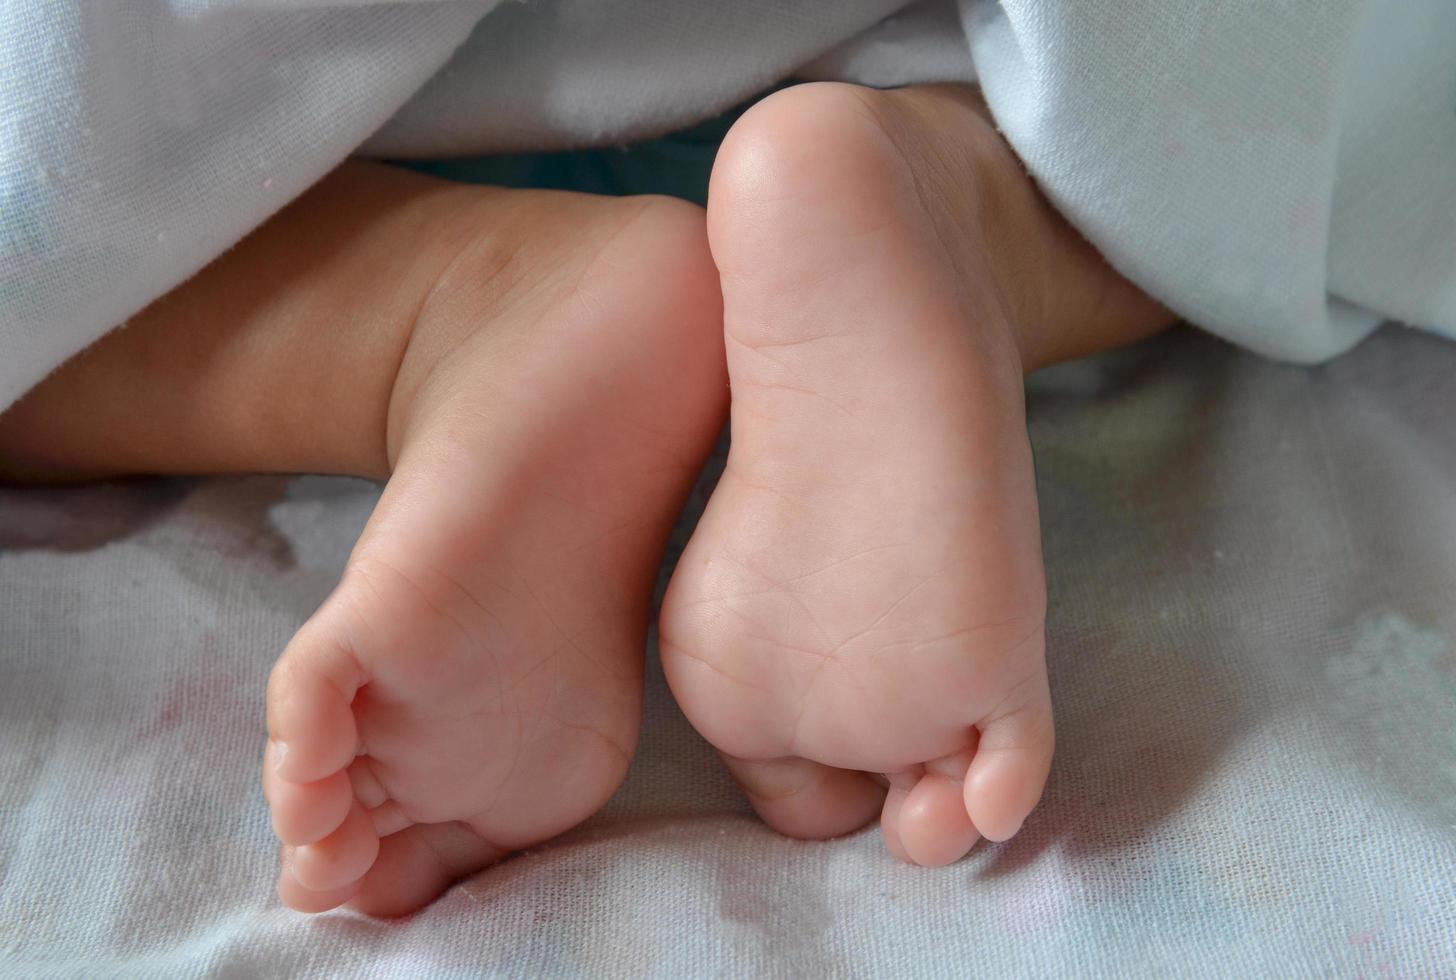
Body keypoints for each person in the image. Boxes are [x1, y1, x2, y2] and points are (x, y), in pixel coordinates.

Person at [1, 2, 1450, 918]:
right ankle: (951, 206)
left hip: (288, 110)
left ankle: (444, 300)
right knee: (1248, 134)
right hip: (997, 47)